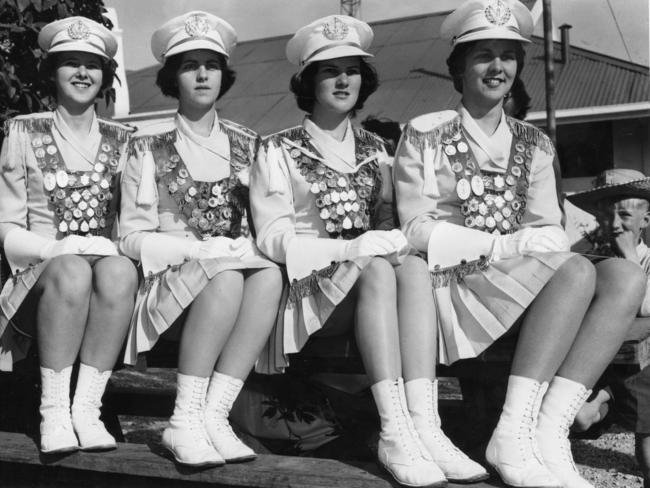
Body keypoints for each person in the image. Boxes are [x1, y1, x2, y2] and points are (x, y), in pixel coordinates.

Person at [392, 1, 646, 487]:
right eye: (483, 55)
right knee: (575, 270)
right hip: (451, 280)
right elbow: (416, 227)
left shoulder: (535, 143)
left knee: (627, 276)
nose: (497, 67)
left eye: (507, 56)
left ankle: (546, 430)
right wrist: (503, 246)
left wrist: (528, 244)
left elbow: (550, 228)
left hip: (521, 279)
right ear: (459, 68)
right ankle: (511, 432)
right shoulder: (424, 134)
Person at [250, 14, 488, 488]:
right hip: (304, 291)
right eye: (328, 70)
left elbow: (390, 223)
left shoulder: (380, 151)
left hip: (369, 296)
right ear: (306, 80)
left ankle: (426, 424)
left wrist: (390, 241)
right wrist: (351, 248)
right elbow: (272, 238)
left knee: (414, 270)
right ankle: (395, 430)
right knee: (379, 271)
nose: (343, 80)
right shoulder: (276, 149)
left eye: (352, 70)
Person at [119, 11, 283, 467]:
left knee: (269, 276)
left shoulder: (248, 142)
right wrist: (195, 250)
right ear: (174, 77)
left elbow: (264, 224)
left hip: (229, 275)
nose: (203, 74)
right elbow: (131, 237)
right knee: (228, 278)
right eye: (190, 65)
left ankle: (214, 415)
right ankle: (183, 418)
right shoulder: (148, 145)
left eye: (211, 64)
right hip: (168, 278)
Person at [0, 17, 138, 454]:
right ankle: (54, 411)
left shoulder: (126, 139)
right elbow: (5, 224)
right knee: (73, 270)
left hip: (100, 273)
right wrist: (52, 248)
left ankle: (87, 409)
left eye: (93, 65)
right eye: (70, 64)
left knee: (119, 273)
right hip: (41, 273)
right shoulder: (24, 130)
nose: (82, 73)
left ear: (105, 75)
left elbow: (131, 224)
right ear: (54, 74)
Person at [568, 168, 650, 487]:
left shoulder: (645, 260)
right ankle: (605, 397)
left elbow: (644, 306)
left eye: (625, 215)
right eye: (608, 214)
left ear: (645, 220)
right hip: (600, 362)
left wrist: (628, 258)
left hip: (641, 367)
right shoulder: (589, 262)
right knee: (578, 418)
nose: (615, 224)